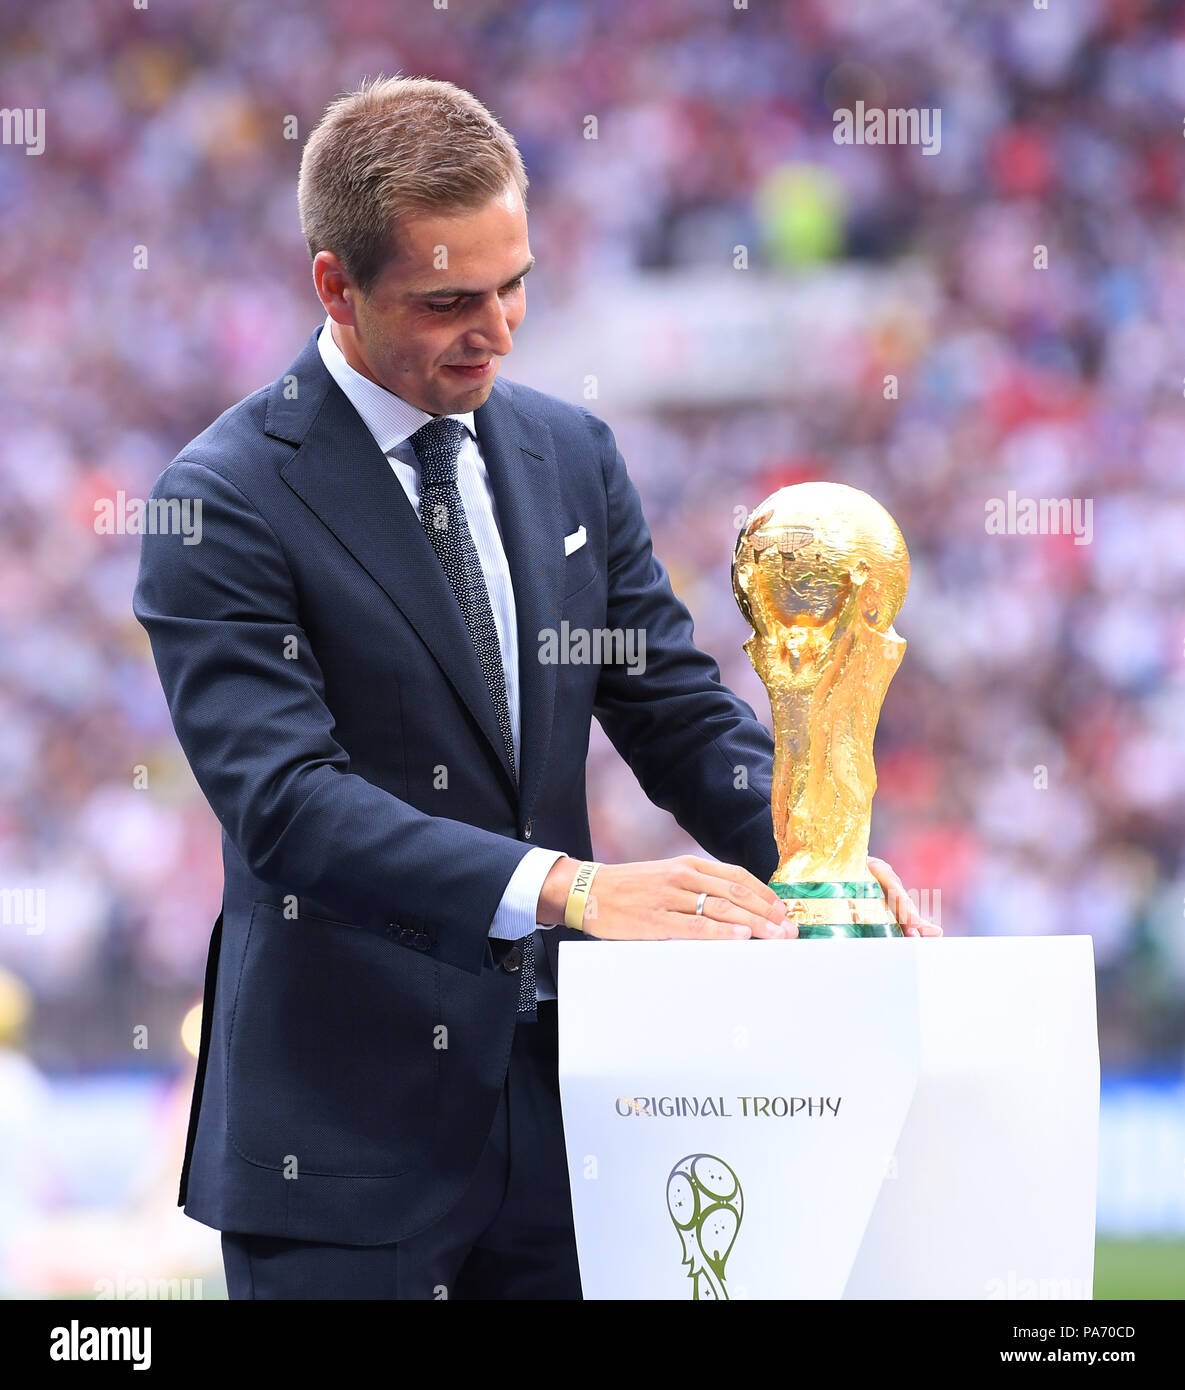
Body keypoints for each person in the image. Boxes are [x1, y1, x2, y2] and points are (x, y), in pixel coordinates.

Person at [133, 74, 937, 1301]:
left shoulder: (570, 450)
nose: (498, 330)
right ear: (335, 288)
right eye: (450, 300)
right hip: (342, 1142)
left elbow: (667, 703)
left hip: (575, 1117)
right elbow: (289, 805)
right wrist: (572, 889)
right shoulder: (224, 498)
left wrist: (809, 850)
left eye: (516, 287)